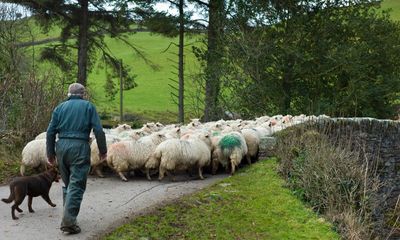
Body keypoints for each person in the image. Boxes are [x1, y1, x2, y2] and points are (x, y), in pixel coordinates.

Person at [46, 83, 107, 234]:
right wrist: (103, 150)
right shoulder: (88, 107)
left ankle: (70, 218)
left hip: (61, 147)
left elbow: (50, 132)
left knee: (68, 184)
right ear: (83, 94)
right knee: (77, 185)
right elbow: (98, 130)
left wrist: (50, 153)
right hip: (79, 147)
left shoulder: (60, 108)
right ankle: (68, 222)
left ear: (68, 94)